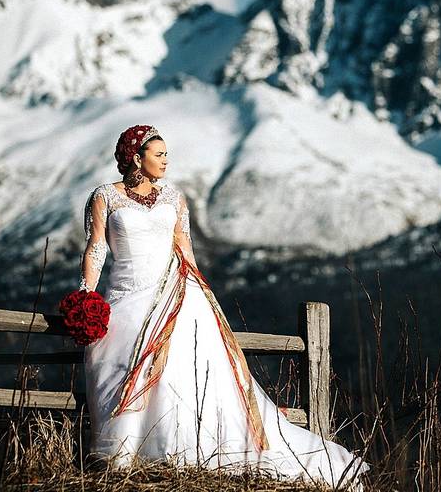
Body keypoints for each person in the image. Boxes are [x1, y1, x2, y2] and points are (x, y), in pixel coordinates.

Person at [80, 124, 370, 489]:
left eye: (167, 153)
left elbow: (184, 249)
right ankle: (127, 455)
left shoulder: (173, 197)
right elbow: (96, 249)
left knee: (186, 373)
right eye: (159, 154)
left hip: (177, 294)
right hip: (126, 297)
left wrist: (199, 292)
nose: (166, 161)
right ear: (136, 158)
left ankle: (180, 452)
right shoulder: (106, 196)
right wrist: (85, 296)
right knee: (120, 367)